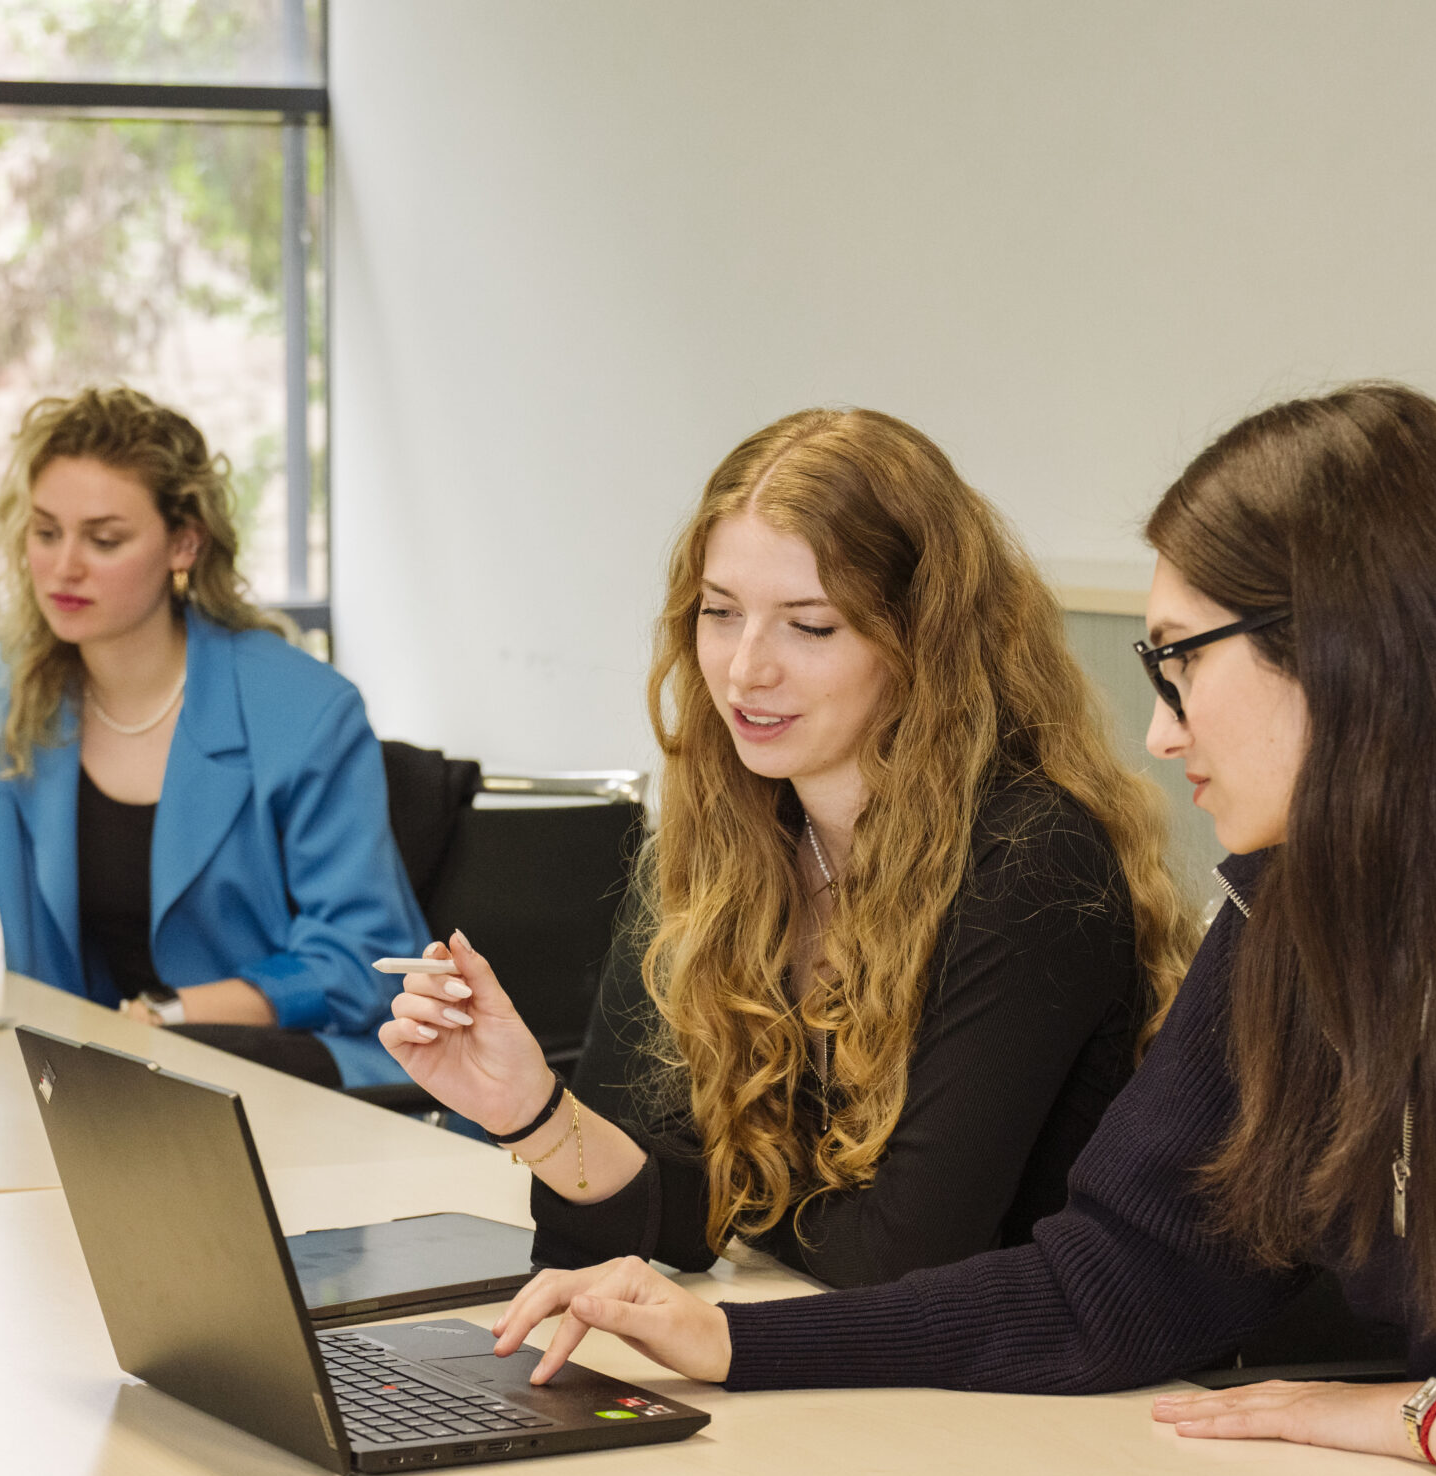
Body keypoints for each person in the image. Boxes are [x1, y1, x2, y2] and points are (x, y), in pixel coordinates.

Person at [488, 384, 1436, 1476]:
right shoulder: (1298, 906)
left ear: (1347, 649)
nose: (1158, 727)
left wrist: (1408, 1412)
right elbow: (1117, 1281)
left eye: (1181, 660)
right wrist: (732, 1344)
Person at [384, 408, 1194, 1288]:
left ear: (925, 641)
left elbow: (902, 1256)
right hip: (816, 1349)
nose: (745, 670)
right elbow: (638, 1214)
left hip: (1019, 1368)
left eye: (810, 626)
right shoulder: (723, 834)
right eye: (720, 613)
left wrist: (720, 1203)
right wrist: (532, 1108)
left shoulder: (1032, 859)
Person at [0, 386, 425, 1089]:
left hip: (283, 1077)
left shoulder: (305, 710)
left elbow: (367, 957)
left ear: (184, 543)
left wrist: (174, 1012)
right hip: (84, 1090)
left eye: (104, 540)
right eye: (45, 533)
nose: (65, 567)